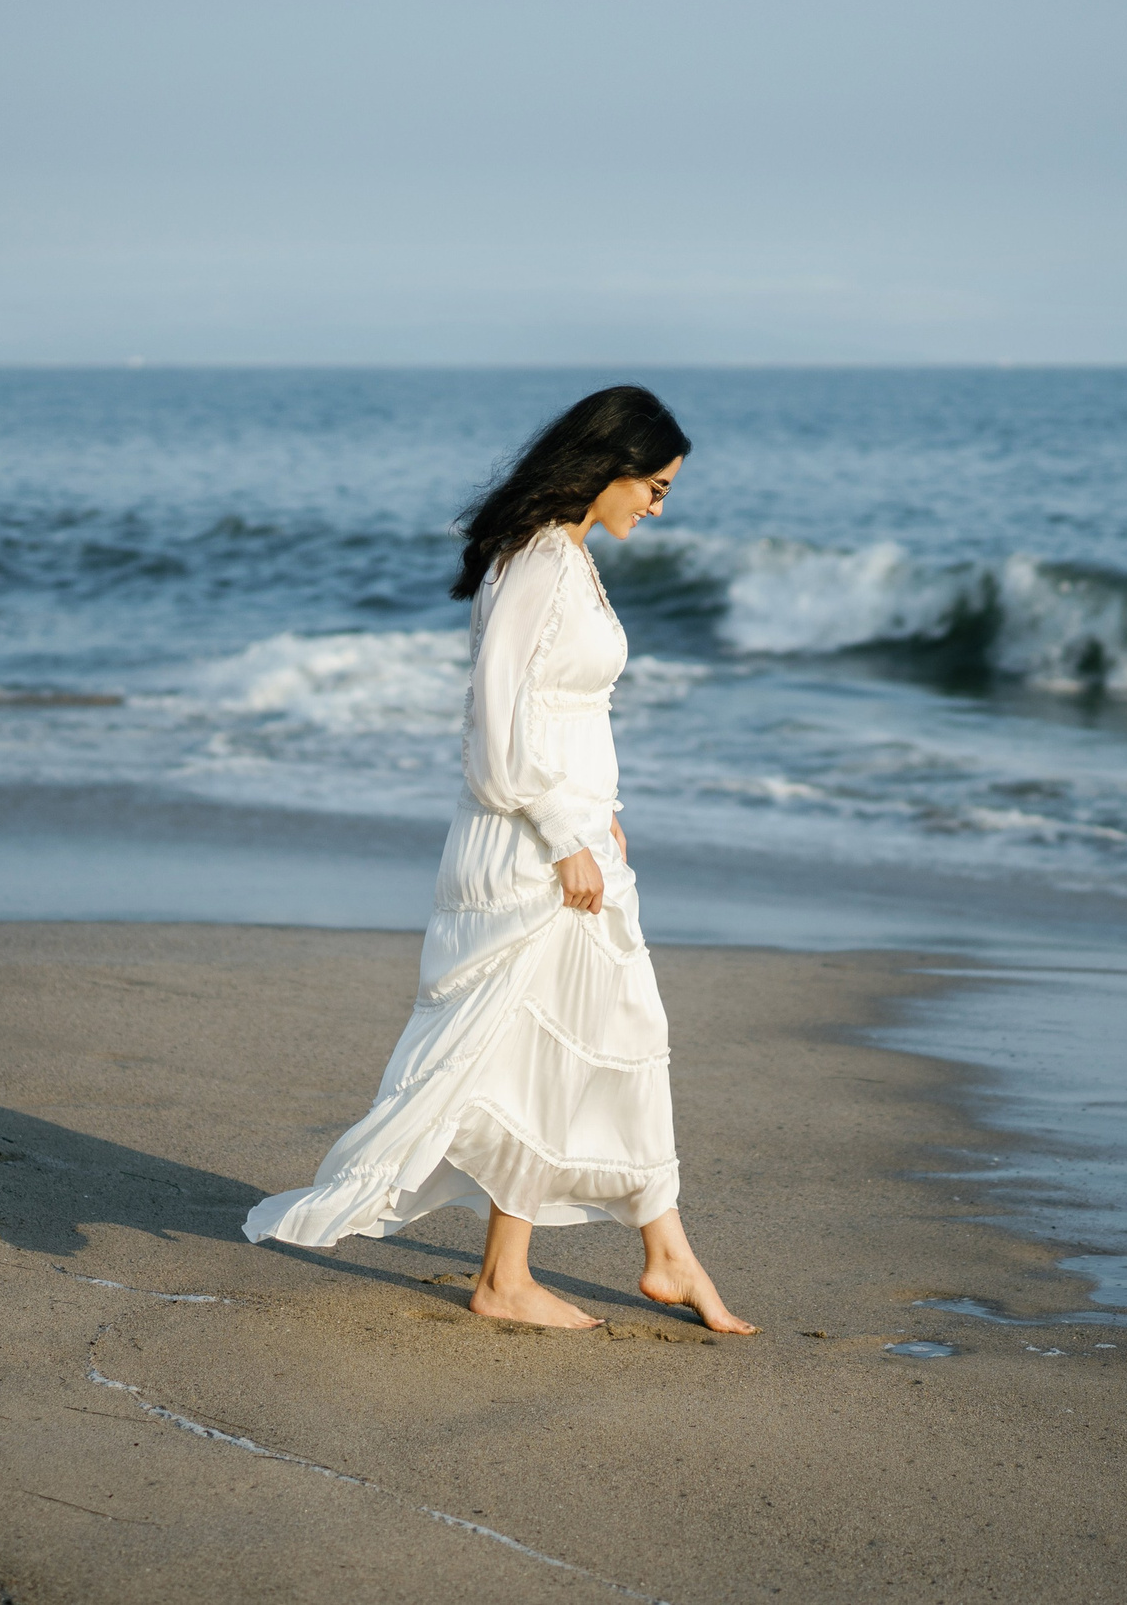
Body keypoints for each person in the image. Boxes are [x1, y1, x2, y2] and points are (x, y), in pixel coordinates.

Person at [244, 387, 754, 1334]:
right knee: (528, 1050)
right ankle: (568, 1269)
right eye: (655, 485)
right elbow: (493, 726)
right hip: (529, 844)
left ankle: (629, 1258)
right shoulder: (540, 564)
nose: (658, 505)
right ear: (610, 467)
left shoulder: (567, 559)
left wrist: (606, 820)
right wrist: (567, 836)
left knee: (588, 1042)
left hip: (573, 834)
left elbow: (568, 713)